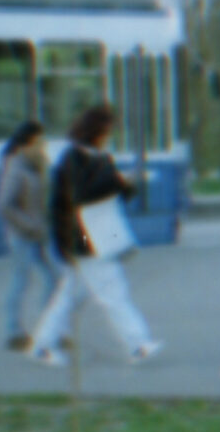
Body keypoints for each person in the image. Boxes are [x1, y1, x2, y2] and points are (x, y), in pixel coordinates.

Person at [29, 104, 163, 365]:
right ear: (95, 131)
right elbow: (82, 195)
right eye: (107, 130)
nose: (109, 135)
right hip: (82, 235)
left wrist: (127, 186)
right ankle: (138, 343)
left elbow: (110, 192)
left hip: (96, 233)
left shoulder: (96, 156)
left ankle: (42, 344)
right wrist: (118, 183)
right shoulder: (73, 158)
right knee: (113, 290)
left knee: (70, 294)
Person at [0, 121, 56, 351]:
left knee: (54, 277)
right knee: (21, 280)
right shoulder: (15, 167)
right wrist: (29, 226)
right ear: (25, 145)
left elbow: (47, 195)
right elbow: (4, 205)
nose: (43, 147)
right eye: (39, 143)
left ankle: (48, 329)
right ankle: (14, 332)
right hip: (22, 234)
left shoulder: (39, 163)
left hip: (41, 233)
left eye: (44, 143)